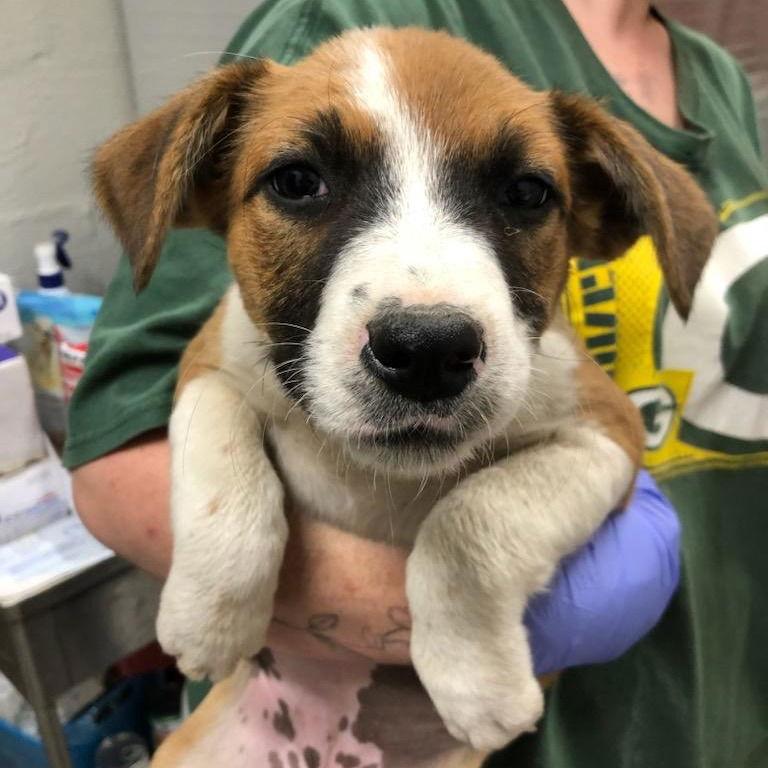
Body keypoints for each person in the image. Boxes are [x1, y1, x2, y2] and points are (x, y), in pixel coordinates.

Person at [67, 0, 768, 765]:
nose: (425, 308)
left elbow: (607, 431)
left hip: (682, 707)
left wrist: (476, 558)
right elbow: (139, 421)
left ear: (596, 219)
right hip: (267, 709)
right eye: (299, 183)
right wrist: (234, 553)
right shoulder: (333, 16)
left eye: (524, 196)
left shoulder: (717, 76)